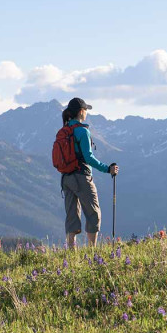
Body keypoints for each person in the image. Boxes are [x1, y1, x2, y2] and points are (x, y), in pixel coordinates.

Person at [60, 97, 120, 249]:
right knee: (94, 214)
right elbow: (88, 157)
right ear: (81, 112)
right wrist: (107, 169)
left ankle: (71, 253)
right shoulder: (82, 131)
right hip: (82, 177)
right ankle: (91, 252)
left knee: (72, 216)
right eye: (86, 110)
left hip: (66, 179)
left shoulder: (63, 131)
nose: (86, 113)